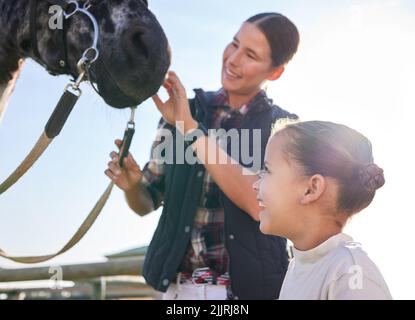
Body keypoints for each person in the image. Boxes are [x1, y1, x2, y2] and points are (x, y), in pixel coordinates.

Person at [105, 12, 300, 300]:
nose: (233, 59)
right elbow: (145, 203)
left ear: (274, 72)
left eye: (250, 55)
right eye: (234, 44)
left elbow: (260, 206)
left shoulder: (284, 129)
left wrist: (190, 128)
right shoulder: (183, 110)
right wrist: (133, 186)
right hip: (177, 291)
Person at [253, 120, 392, 300]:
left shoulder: (351, 272)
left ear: (311, 189)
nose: (256, 184)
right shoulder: (299, 267)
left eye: (267, 170)